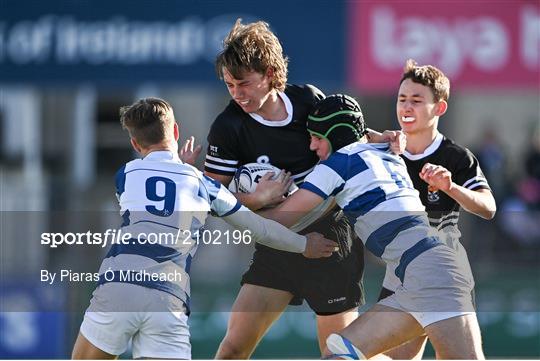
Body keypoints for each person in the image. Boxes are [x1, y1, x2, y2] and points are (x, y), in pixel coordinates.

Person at [70, 97, 336, 359]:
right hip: (167, 299)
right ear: (175, 131)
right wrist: (303, 244)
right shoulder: (201, 184)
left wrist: (183, 168)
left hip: (119, 288)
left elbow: (161, 192)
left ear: (135, 144)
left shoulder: (126, 174)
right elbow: (259, 228)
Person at [201, 19, 403, 358]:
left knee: (335, 353)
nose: (236, 93)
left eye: (244, 83)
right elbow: (209, 197)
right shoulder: (228, 127)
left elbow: (347, 132)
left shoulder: (308, 99)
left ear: (268, 73)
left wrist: (383, 137)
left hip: (329, 242)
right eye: (229, 85)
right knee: (233, 348)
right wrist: (253, 198)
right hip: (278, 240)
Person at [261, 93, 486, 359]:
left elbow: (275, 223)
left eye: (317, 137)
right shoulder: (386, 152)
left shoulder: (337, 165)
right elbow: (361, 134)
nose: (312, 146)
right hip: (416, 274)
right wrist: (378, 134)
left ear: (336, 135)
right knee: (338, 354)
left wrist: (252, 199)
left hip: (432, 272)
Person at [378, 59, 497, 359]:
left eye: (417, 101)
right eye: (402, 99)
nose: (407, 107)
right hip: (400, 274)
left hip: (444, 273)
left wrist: (451, 188)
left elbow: (488, 207)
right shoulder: (385, 153)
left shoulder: (456, 157)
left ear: (439, 108)